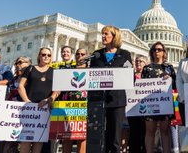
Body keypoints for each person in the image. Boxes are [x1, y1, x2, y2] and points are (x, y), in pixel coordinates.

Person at [89, 25, 133, 153]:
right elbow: (91, 76)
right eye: (102, 34)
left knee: (115, 137)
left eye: (106, 34)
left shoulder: (124, 55)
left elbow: (130, 77)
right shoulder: (96, 55)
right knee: (98, 135)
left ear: (114, 37)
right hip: (98, 100)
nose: (103, 36)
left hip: (117, 100)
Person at [18, 47, 60, 153]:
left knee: (39, 139)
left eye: (48, 55)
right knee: (26, 138)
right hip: (30, 107)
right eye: (43, 54)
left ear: (51, 58)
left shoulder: (54, 71)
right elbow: (21, 86)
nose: (46, 57)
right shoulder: (30, 68)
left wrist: (49, 99)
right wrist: (27, 102)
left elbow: (57, 90)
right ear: (39, 56)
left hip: (45, 108)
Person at [141, 42, 176, 153]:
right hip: (150, 102)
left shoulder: (169, 68)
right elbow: (142, 86)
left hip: (165, 103)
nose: (157, 51)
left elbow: (174, 85)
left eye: (159, 49)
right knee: (150, 131)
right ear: (151, 52)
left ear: (164, 52)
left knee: (165, 131)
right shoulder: (147, 68)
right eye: (154, 50)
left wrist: (169, 78)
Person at [59, 48, 88, 153]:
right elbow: (59, 86)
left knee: (82, 137)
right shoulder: (68, 69)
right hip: (67, 105)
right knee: (66, 136)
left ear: (87, 56)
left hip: (84, 106)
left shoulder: (91, 71)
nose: (80, 56)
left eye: (82, 54)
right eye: (78, 54)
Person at [128, 55, 148, 153]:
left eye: (141, 61)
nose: (138, 63)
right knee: (134, 133)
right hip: (133, 109)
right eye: (136, 61)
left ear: (146, 64)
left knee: (145, 132)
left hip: (146, 109)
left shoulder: (148, 77)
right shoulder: (130, 76)